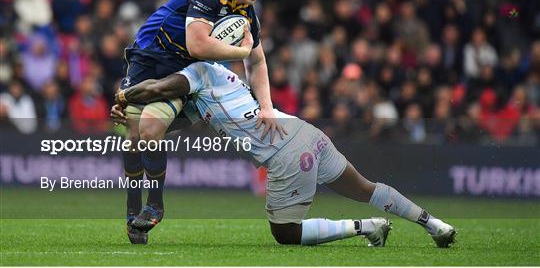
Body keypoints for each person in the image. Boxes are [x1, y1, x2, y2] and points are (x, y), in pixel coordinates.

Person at [112, 61, 456, 248]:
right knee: (365, 188)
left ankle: (366, 227)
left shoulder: (200, 72)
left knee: (285, 233)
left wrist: (126, 98)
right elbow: (162, 127)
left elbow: (159, 88)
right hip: (307, 133)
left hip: (285, 154)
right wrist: (139, 120)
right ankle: (435, 224)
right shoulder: (213, 90)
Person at [118, 0, 285, 244]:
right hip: (147, 56)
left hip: (180, 69)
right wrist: (242, 51)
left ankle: (154, 205)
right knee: (132, 135)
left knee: (150, 128)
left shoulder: (246, 13)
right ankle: (132, 210)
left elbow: (257, 62)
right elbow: (199, 45)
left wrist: (267, 107)